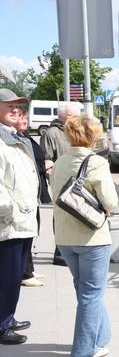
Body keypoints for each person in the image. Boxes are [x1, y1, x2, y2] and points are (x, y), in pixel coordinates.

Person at [49, 114, 118, 357]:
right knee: (91, 293)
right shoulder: (97, 163)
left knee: (85, 289)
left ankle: (100, 338)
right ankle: (84, 351)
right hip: (92, 239)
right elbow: (111, 201)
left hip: (65, 238)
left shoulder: (59, 162)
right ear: (93, 136)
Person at [0, 88, 39, 345]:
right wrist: (8, 214)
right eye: (9, 105)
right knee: (6, 276)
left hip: (22, 220)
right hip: (10, 222)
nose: (16, 109)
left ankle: (8, 317)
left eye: (18, 105)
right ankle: (2, 325)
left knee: (14, 276)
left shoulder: (13, 137)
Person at [40, 102, 81, 266]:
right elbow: (46, 158)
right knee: (62, 216)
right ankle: (60, 253)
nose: (76, 118)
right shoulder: (52, 133)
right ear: (62, 116)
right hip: (62, 182)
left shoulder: (76, 130)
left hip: (79, 181)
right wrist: (52, 172)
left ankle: (75, 249)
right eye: (73, 115)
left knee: (78, 215)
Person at [16, 109, 53, 288]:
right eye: (21, 118)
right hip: (23, 195)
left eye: (25, 117)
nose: (24, 121)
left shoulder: (25, 137)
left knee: (32, 231)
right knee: (26, 233)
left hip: (33, 192)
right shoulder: (17, 140)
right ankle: (25, 273)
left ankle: (28, 269)